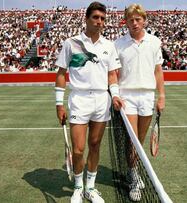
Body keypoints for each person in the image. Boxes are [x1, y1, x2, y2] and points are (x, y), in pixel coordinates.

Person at [54, 2, 122, 203]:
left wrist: (115, 95)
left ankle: (90, 188)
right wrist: (59, 104)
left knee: (95, 144)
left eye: (102, 18)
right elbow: (60, 74)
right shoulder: (71, 43)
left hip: (102, 100)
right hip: (79, 99)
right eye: (95, 17)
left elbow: (112, 75)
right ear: (86, 19)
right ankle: (77, 187)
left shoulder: (109, 46)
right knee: (78, 149)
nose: (99, 22)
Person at [114, 4, 165, 201]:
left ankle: (131, 169)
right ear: (125, 22)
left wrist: (161, 96)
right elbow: (115, 74)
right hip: (127, 98)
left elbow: (158, 71)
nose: (134, 23)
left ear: (144, 20)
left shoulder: (155, 42)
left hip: (147, 97)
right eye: (130, 20)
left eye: (138, 19)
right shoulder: (118, 44)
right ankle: (134, 178)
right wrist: (115, 94)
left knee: (140, 141)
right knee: (133, 140)